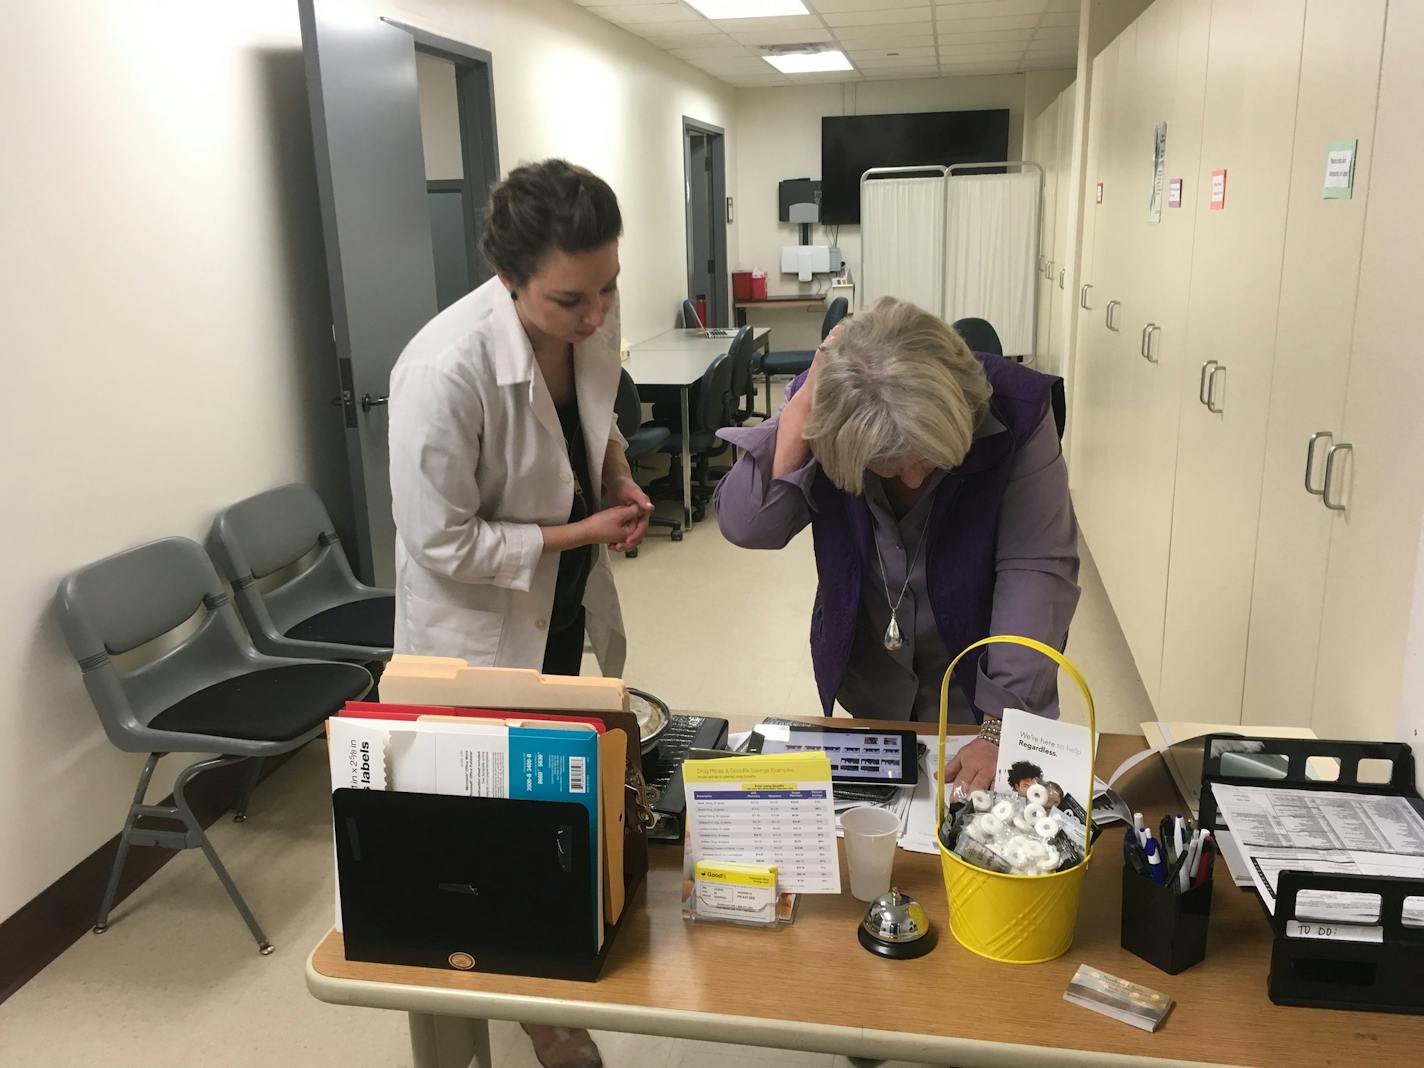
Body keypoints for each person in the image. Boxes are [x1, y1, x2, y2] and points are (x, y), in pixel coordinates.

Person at [389, 159, 649, 1068]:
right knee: (487, 809)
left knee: (554, 775)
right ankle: (538, 1014)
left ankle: (558, 935)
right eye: (570, 301)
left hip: (558, 601)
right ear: (509, 280)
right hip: (477, 622)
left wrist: (614, 472)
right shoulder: (442, 370)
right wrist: (580, 528)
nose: (596, 318)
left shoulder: (587, 310)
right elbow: (440, 542)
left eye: (609, 288)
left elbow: (596, 414)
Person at [714, 297, 1079, 797]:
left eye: (928, 460)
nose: (911, 477)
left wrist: (1003, 729)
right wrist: (805, 394)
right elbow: (750, 525)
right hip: (872, 677)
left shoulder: (1016, 412)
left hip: (981, 680)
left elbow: (1036, 572)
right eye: (889, 466)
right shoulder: (834, 407)